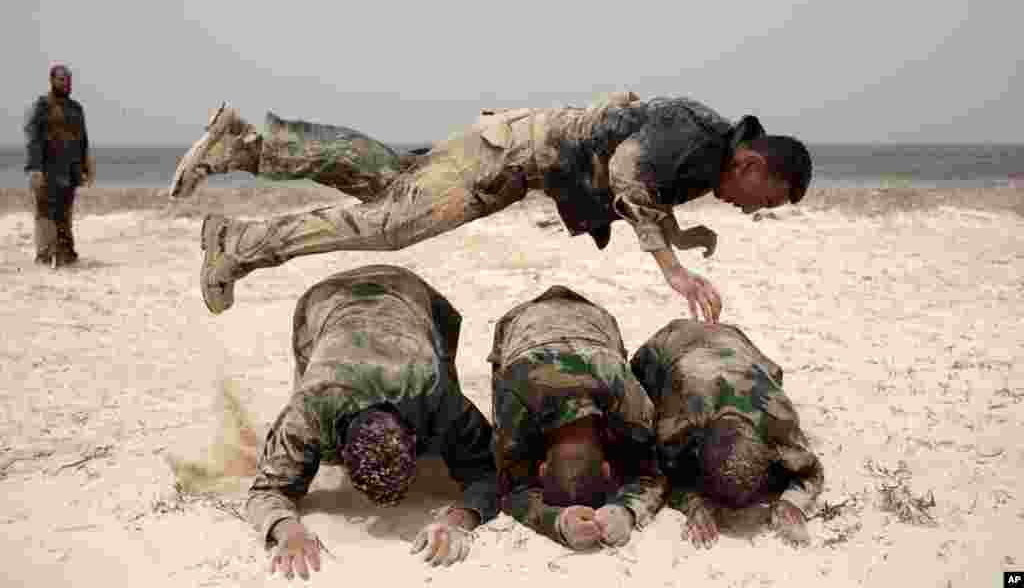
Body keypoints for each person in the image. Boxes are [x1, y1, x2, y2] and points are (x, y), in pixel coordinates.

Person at [168, 92, 812, 319]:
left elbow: (640, 180)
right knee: (389, 224)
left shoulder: (706, 149)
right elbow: (625, 174)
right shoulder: (699, 141)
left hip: (507, 148)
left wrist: (684, 233)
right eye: (767, 201)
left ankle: (245, 146)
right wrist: (673, 268)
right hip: (504, 160)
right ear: (755, 165)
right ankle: (238, 246)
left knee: (385, 181)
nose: (757, 211)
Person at [246, 265, 498, 580]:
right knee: (305, 419)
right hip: (324, 300)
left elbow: (490, 473)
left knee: (449, 416)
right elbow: (266, 490)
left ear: (414, 435)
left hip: (410, 292)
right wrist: (288, 531)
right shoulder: (310, 410)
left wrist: (458, 521)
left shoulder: (434, 391)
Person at [489, 285, 666, 550]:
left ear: (542, 469)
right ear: (607, 468)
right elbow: (508, 485)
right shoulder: (513, 392)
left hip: (594, 321)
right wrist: (557, 521)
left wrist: (625, 511)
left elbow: (512, 488)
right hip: (522, 323)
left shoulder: (625, 395)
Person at [628, 319, 824, 549]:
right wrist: (693, 503)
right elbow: (658, 471)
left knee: (771, 373)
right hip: (672, 339)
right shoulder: (681, 421)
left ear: (770, 452)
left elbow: (810, 469)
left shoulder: (778, 417)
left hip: (732, 339)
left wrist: (792, 503)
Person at [24, 64, 95, 267]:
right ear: (52, 80)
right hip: (47, 169)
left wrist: (86, 167)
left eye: (69, 79)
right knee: (45, 212)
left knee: (65, 212)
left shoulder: (76, 108)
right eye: (62, 79)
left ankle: (65, 253)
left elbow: (83, 140)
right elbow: (34, 138)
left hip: (70, 170)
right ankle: (45, 254)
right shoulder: (42, 106)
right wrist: (35, 168)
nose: (66, 83)